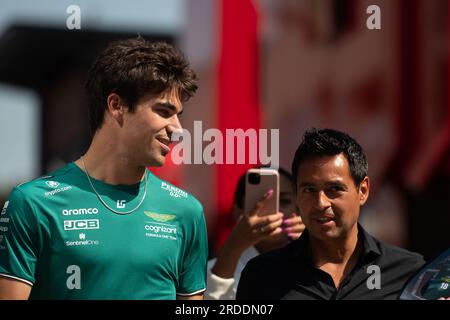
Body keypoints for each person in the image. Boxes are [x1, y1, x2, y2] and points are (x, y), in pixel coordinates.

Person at [0, 37, 208, 300]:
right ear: (116, 105)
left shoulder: (187, 211)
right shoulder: (32, 202)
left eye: (179, 114)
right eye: (164, 111)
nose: (177, 129)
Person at [236, 128, 426, 300]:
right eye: (309, 190)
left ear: (363, 191)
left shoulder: (409, 271)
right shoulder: (261, 275)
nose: (320, 203)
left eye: (334, 189)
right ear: (296, 195)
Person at [205, 168, 305, 300]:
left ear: (299, 209)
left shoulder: (317, 260)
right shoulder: (208, 273)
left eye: (284, 201)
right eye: (263, 202)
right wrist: (231, 249)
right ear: (238, 214)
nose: (275, 212)